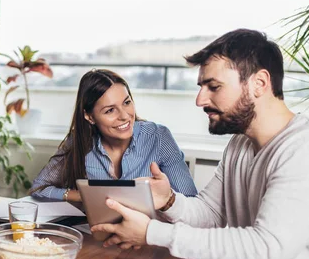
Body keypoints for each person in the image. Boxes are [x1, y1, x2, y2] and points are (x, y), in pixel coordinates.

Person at [91, 29, 309, 259]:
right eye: (200, 87)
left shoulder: (302, 150)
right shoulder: (240, 144)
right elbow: (209, 214)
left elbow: (267, 250)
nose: (200, 100)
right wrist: (168, 200)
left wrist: (153, 232)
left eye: (213, 87)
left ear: (259, 84)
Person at [30, 69, 197, 201]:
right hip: (97, 235)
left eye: (127, 102)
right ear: (89, 117)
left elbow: (190, 200)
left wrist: (162, 197)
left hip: (148, 234)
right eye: (110, 110)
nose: (124, 116)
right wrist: (85, 196)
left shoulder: (158, 137)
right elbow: (39, 189)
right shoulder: (79, 141)